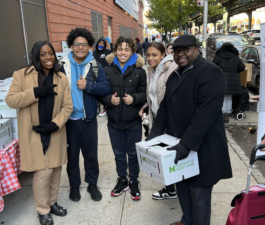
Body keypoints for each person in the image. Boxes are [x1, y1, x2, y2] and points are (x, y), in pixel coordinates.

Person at [146, 35, 232, 225]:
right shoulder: (177, 73)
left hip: (201, 147)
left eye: (185, 50)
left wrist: (186, 144)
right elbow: (166, 105)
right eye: (176, 51)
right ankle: (186, 221)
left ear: (197, 49)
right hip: (178, 144)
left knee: (199, 194)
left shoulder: (211, 72)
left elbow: (205, 114)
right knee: (182, 185)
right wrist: (155, 134)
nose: (180, 54)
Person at [5, 41, 73, 225]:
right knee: (43, 172)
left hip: (54, 131)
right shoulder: (21, 75)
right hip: (34, 133)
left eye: (50, 53)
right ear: (36, 56)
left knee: (57, 169)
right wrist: (35, 92)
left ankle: (52, 203)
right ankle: (42, 210)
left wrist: (55, 124)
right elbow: (11, 100)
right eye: (43, 54)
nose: (48, 57)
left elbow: (68, 106)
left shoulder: (61, 77)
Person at [59, 27, 111, 203]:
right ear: (71, 46)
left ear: (89, 46)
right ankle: (74, 186)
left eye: (84, 44)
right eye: (76, 44)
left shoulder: (95, 65)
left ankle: (92, 184)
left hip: (88, 119)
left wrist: (88, 86)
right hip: (69, 121)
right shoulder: (62, 65)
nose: (80, 47)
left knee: (91, 155)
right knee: (72, 157)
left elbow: (105, 88)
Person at [101, 36, 146, 200]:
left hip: (133, 122)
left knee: (133, 154)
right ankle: (122, 180)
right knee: (119, 154)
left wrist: (134, 99)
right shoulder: (107, 70)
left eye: (127, 49)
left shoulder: (139, 71)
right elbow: (101, 94)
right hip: (114, 123)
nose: (123, 52)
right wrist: (109, 100)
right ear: (115, 50)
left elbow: (145, 94)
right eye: (120, 49)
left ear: (133, 51)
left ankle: (133, 180)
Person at [139, 42, 178, 200]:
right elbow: (155, 94)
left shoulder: (171, 69)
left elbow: (172, 98)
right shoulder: (151, 70)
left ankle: (174, 188)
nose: (150, 58)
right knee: (163, 156)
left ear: (163, 55)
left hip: (170, 121)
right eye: (147, 55)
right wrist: (147, 106)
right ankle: (171, 188)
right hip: (157, 119)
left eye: (154, 55)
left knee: (171, 156)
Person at [212, 42, 245, 123]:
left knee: (222, 98)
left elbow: (212, 67)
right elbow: (242, 67)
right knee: (229, 98)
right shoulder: (236, 57)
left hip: (220, 80)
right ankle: (227, 115)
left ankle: (222, 115)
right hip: (233, 80)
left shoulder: (218, 57)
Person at [93, 37, 113, 117]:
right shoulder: (94, 53)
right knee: (97, 92)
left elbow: (114, 51)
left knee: (104, 92)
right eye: (99, 43)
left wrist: (111, 44)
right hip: (96, 74)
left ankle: (105, 108)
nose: (100, 45)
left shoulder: (107, 52)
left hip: (105, 75)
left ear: (105, 45)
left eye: (102, 43)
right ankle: (97, 108)